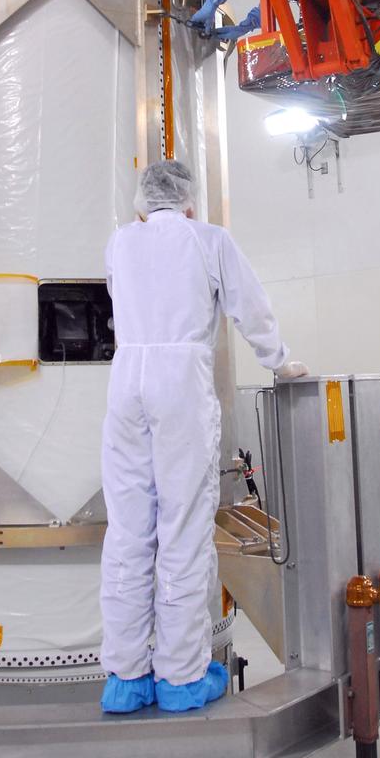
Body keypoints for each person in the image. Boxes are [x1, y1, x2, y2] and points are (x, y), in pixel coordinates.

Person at [100, 159, 308, 714]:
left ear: (143, 201)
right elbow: (250, 307)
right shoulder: (209, 240)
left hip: (126, 383)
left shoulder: (120, 242)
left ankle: (125, 678)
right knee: (184, 529)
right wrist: (279, 360)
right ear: (189, 200)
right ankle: (180, 677)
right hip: (179, 383)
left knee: (128, 531)